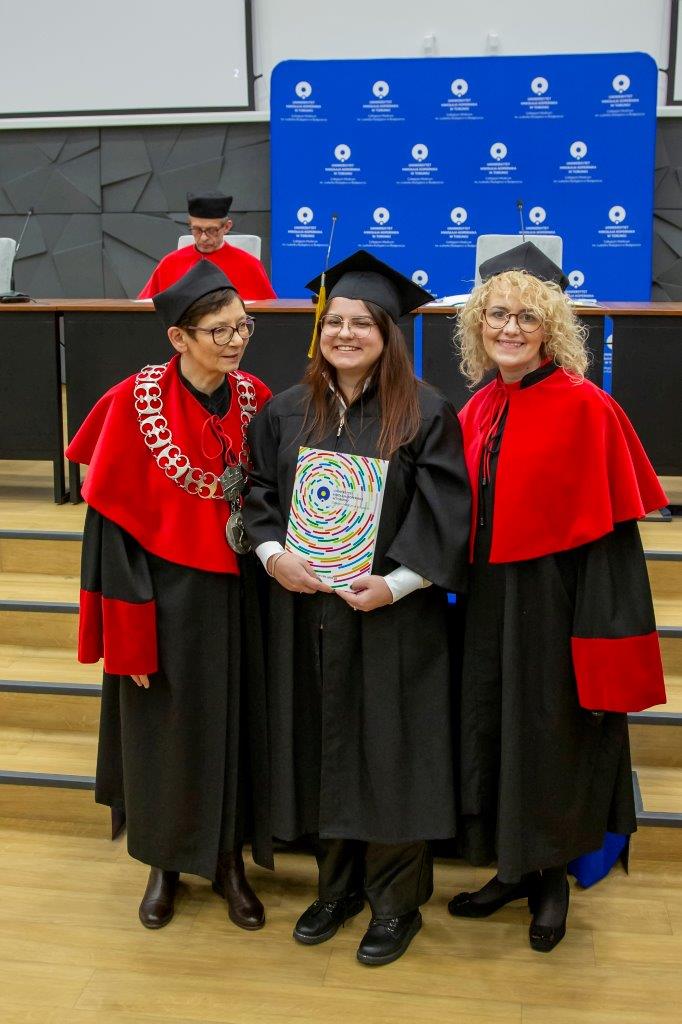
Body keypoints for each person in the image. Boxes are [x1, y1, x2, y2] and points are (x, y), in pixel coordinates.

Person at [242, 250, 471, 966]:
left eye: (361, 323)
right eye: (334, 321)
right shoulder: (286, 410)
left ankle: (396, 904)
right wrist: (272, 555)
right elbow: (257, 496)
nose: (344, 334)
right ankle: (336, 889)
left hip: (393, 618)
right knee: (324, 748)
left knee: (393, 754)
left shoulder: (427, 412)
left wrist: (395, 584)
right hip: (308, 613)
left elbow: (445, 514)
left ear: (388, 333)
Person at [449, 241, 667, 952]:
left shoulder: (587, 408)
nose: (510, 329)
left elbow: (611, 545)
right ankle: (512, 867)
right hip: (487, 601)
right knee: (495, 730)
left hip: (558, 604)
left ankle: (550, 881)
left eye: (527, 318)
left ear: (551, 329)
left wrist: (601, 633)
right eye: (497, 315)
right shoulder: (479, 406)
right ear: (478, 325)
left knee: (552, 737)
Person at [66, 260, 273, 931]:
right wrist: (127, 638)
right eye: (219, 331)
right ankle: (163, 864)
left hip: (240, 595)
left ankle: (229, 862)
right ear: (179, 338)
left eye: (242, 326)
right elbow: (111, 532)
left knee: (237, 727)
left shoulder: (255, 397)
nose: (236, 341)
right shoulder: (133, 402)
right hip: (160, 600)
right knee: (162, 733)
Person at [138, 190, 276, 300]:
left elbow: (270, 314)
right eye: (197, 229)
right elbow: (144, 308)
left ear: (227, 227)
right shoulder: (169, 263)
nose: (203, 238)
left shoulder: (249, 265)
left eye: (211, 230)